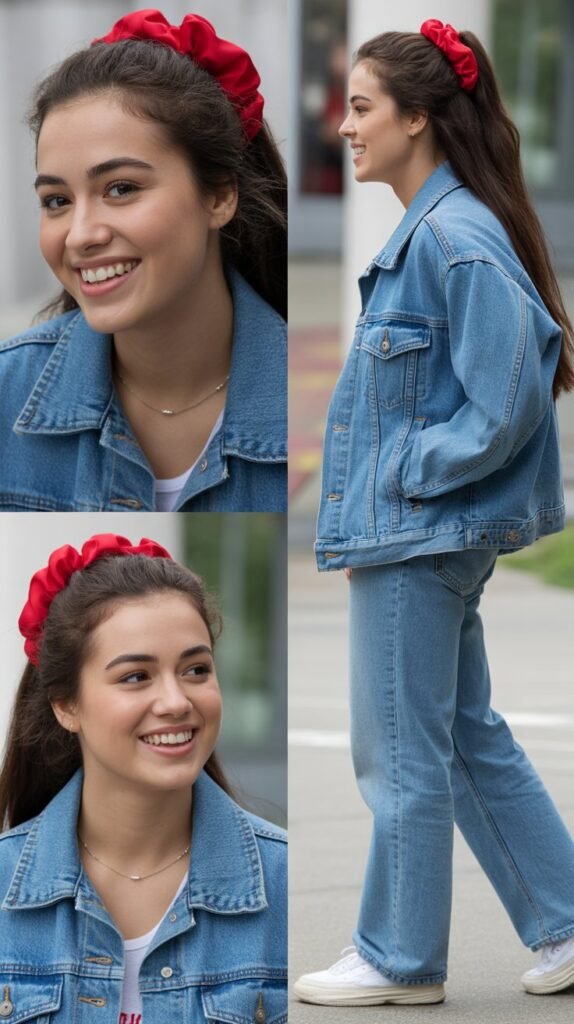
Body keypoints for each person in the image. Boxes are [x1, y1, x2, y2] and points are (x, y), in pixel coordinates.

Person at [295, 19, 574, 1006]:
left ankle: (400, 957)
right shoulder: (443, 230)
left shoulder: (452, 237)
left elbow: (510, 387)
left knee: (400, 750)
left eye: (362, 106)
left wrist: (414, 459)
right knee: (459, 733)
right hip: (421, 529)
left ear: (418, 117)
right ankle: (566, 919)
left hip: (417, 535)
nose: (345, 126)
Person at [0, 9, 286, 512]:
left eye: (121, 188)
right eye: (57, 201)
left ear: (219, 195)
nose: (81, 235)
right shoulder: (8, 393)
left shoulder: (321, 407)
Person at [0, 534, 287, 1021]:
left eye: (196, 669)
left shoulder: (281, 880)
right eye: (136, 676)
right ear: (66, 705)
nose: (177, 702)